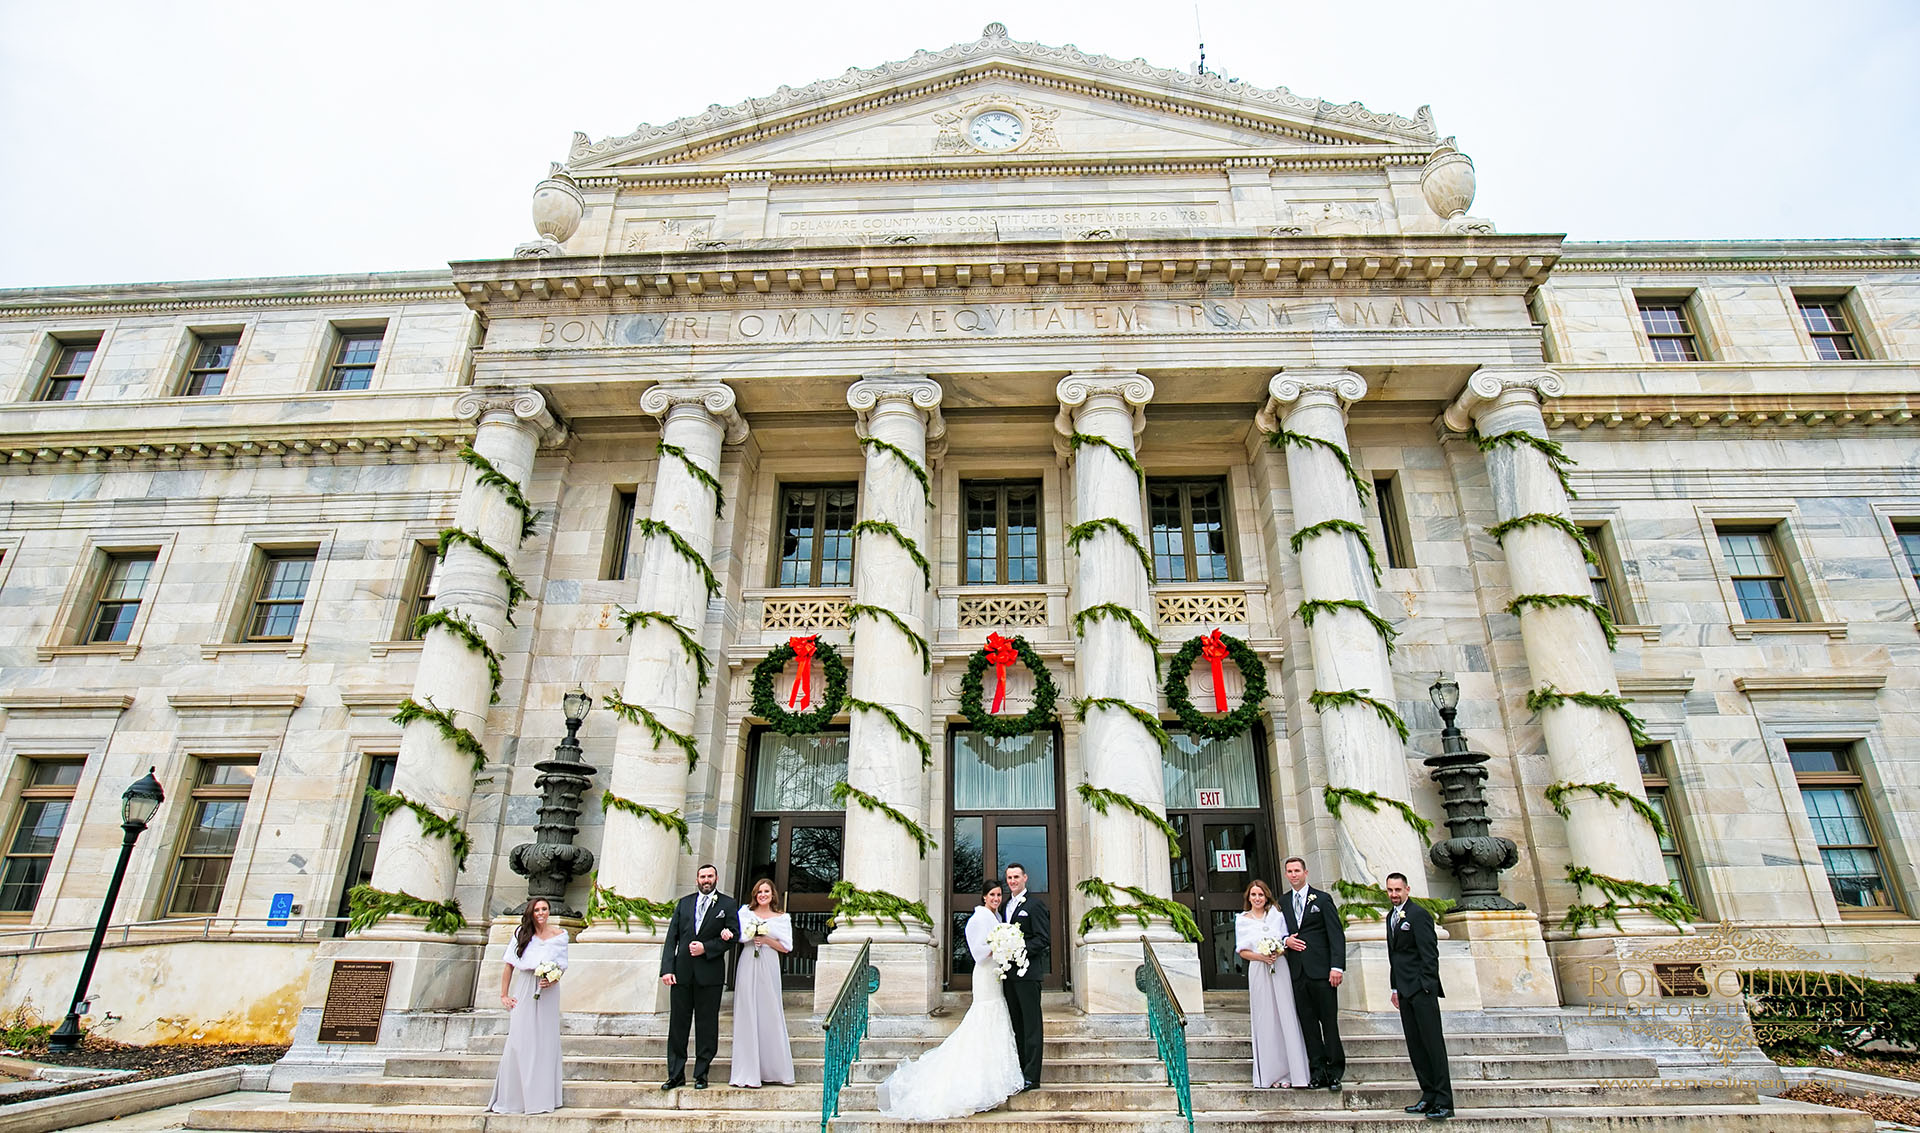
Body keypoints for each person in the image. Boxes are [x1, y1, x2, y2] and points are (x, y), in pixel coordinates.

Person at [875, 881, 1026, 1118]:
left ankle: (991, 1076)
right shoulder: (978, 919)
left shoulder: (996, 918)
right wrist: (998, 946)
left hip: (996, 975)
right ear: (983, 897)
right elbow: (977, 952)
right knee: (985, 1017)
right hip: (985, 975)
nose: (996, 898)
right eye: (992, 895)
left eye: (999, 894)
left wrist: (1006, 946)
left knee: (996, 1017)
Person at [659, 863, 738, 1090]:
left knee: (707, 1026)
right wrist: (667, 969)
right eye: (702, 876)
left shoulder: (727, 904)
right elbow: (671, 937)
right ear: (697, 879)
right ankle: (675, 1075)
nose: (706, 880)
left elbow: (733, 936)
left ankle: (702, 1074)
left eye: (710, 876)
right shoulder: (684, 903)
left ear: (716, 878)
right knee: (678, 1026)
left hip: (709, 976)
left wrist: (707, 948)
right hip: (682, 974)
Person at [487, 897, 568, 1114]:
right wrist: (503, 995)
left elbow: (562, 966)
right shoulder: (521, 934)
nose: (541, 913)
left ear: (549, 911)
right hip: (525, 985)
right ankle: (515, 1098)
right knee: (520, 1040)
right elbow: (509, 967)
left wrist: (553, 979)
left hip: (548, 991)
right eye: (537, 909)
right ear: (531, 912)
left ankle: (542, 1098)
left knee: (546, 1041)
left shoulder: (560, 936)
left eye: (544, 909)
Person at [1386, 872, 1453, 1121]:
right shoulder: (1391, 917)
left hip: (1422, 990)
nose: (1394, 894)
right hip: (1403, 991)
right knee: (1416, 1046)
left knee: (1432, 1045)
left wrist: (1427, 985)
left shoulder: (1418, 915)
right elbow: (1395, 956)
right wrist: (1395, 988)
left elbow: (1429, 953)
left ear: (1407, 889)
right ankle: (1428, 1095)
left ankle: (1444, 1100)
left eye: (1398, 890)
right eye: (1390, 890)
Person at [1235, 880, 1312, 1089]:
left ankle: (1292, 1073)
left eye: (1261, 895)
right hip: (1258, 969)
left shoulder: (1276, 915)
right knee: (1265, 1017)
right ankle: (1269, 1074)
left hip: (1279, 966)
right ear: (1248, 898)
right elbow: (1242, 950)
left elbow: (1284, 941)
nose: (1257, 898)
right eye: (1253, 895)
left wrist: (1276, 952)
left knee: (1285, 1014)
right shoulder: (1242, 920)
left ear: (1266, 896)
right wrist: (1261, 957)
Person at [1278, 856, 1345, 1091]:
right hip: (1297, 973)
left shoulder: (1323, 900)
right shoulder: (1283, 902)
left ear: (1306, 872)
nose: (1293, 874)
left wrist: (1337, 967)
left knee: (1328, 1023)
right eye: (1289, 871)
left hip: (1322, 972)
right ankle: (1316, 1071)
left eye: (1297, 870)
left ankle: (1334, 1071)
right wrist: (1285, 941)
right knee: (1308, 1025)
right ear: (1286, 875)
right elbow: (1278, 931)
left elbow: (1336, 935)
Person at [730, 878, 794, 1088]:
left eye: (766, 891)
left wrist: (766, 940)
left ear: (772, 894)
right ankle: (747, 1072)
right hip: (749, 959)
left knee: (770, 1011)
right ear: (755, 895)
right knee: (747, 1011)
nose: (763, 895)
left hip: (769, 961)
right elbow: (738, 936)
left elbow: (786, 947)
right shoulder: (745, 913)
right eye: (759, 891)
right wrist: (752, 935)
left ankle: (774, 1070)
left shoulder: (782, 918)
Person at [1000, 862, 1049, 1090]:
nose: (1013, 881)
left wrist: (1019, 949)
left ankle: (1032, 1076)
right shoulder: (1005, 907)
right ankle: (1018, 1071)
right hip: (1009, 976)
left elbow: (1042, 939)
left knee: (1031, 1026)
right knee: (1016, 1025)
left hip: (1028, 974)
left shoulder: (1035, 905)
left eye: (1016, 877)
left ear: (1025, 878)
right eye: (1009, 878)